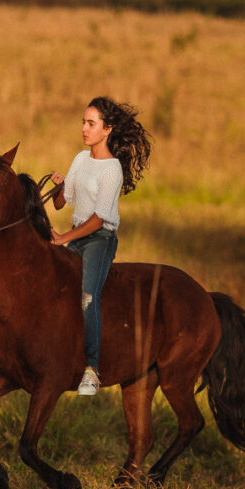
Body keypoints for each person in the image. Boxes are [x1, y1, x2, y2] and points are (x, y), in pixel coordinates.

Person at [51, 97, 153, 395]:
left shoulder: (112, 170)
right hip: (75, 234)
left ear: (106, 129)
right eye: (83, 122)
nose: (84, 128)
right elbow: (61, 203)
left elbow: (97, 221)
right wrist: (59, 185)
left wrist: (62, 240)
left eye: (91, 123)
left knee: (86, 297)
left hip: (99, 240)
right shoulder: (80, 160)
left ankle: (91, 370)